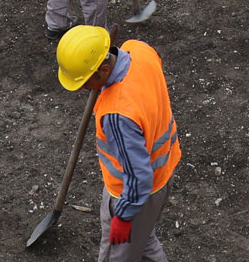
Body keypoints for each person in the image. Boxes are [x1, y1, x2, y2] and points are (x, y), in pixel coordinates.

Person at [57, 26, 182, 262]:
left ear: (104, 69)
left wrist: (124, 217)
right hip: (164, 171)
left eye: (84, 82)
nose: (83, 89)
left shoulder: (118, 115)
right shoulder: (138, 49)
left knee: (117, 256)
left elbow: (138, 175)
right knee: (144, 242)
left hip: (135, 194)